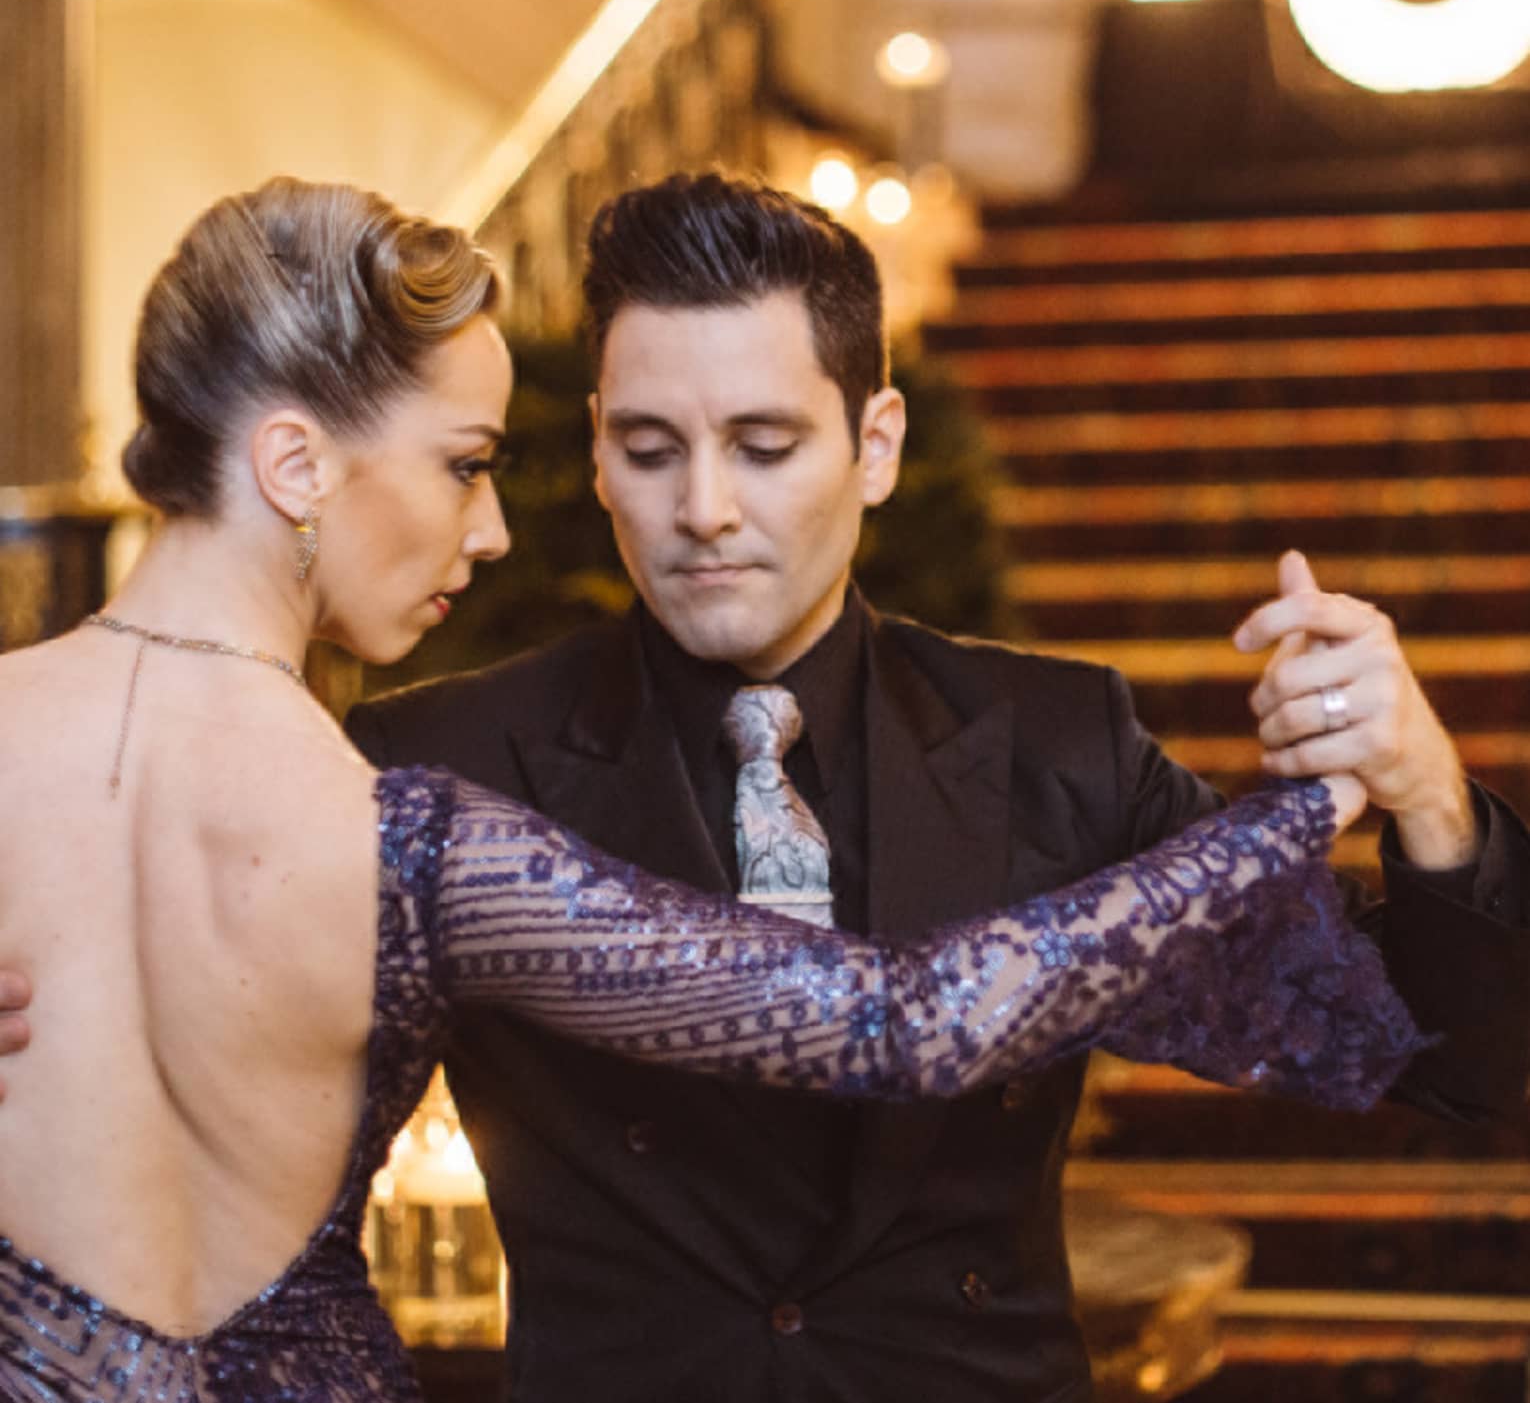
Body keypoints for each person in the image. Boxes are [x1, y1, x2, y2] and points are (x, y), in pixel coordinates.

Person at [0, 176, 1420, 1403]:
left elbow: (1403, 1032)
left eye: (760, 445)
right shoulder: (403, 811)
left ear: (873, 444)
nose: (494, 527)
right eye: (470, 464)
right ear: (295, 461)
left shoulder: (1054, 735)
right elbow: (896, 1018)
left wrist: (1415, 786)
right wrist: (1299, 811)